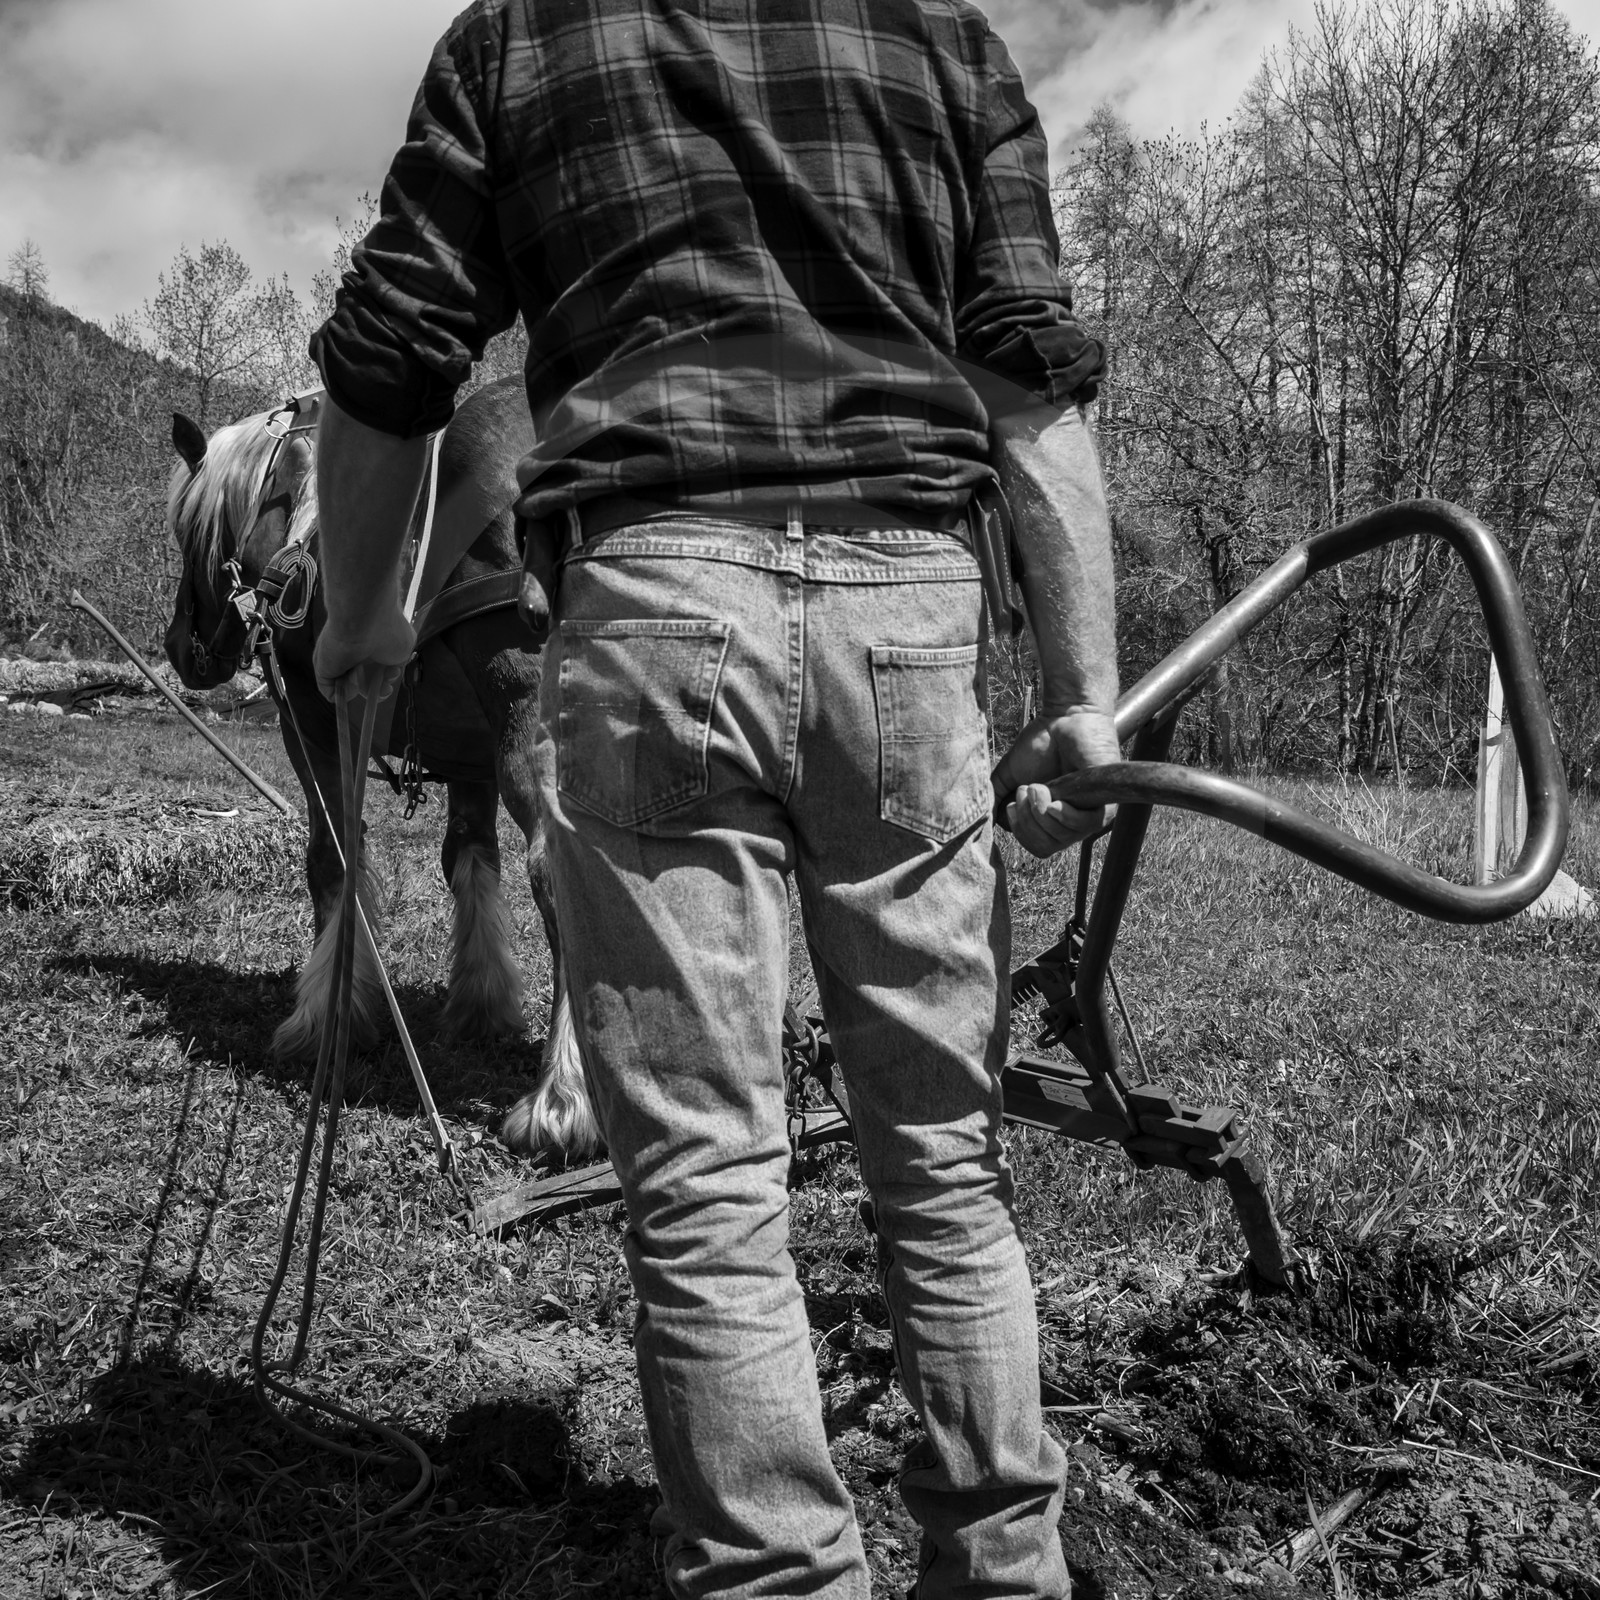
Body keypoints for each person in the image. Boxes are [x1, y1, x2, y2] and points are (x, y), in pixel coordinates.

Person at [308, 1, 1118, 1593]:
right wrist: (1083, 692)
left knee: (703, 1183)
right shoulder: (939, 35)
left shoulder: (520, 38)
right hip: (906, 607)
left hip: (658, 592)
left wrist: (361, 614)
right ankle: (1004, 1577)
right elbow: (1029, 391)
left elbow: (394, 361)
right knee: (944, 1166)